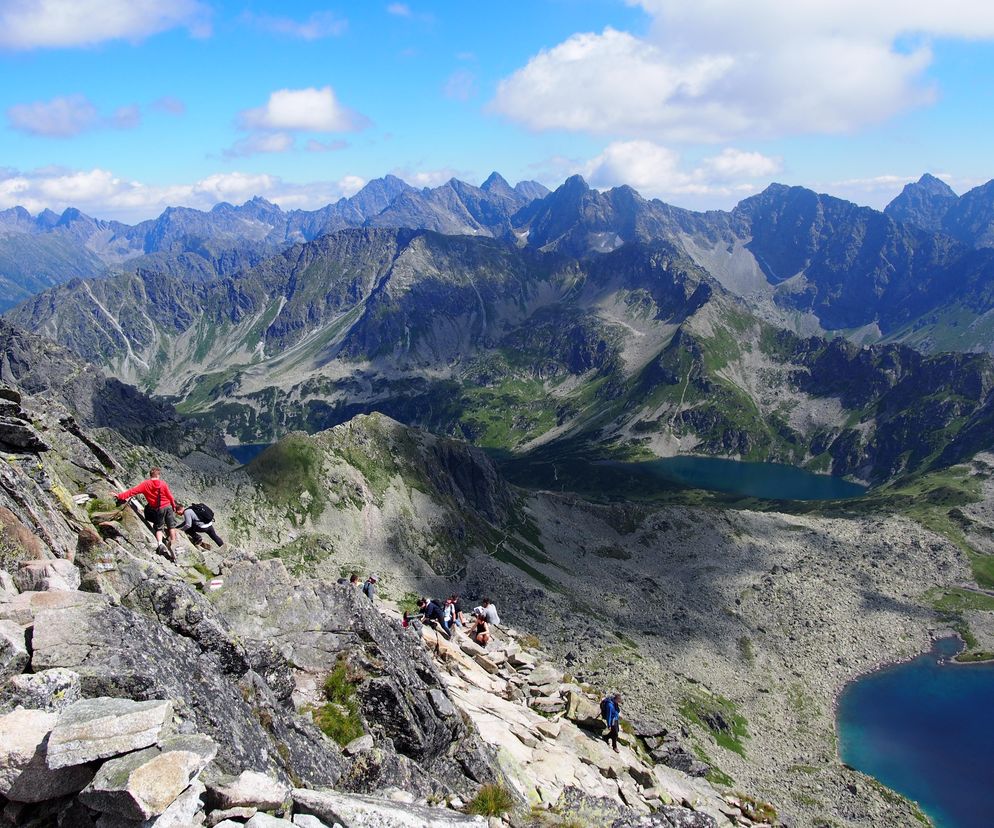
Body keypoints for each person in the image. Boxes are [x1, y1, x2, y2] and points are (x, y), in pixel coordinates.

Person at [116, 467, 179, 558]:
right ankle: (173, 542)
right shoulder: (163, 483)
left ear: (150, 475)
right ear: (158, 475)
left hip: (158, 509)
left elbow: (132, 492)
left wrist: (119, 496)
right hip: (168, 506)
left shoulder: (145, 484)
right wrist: (173, 506)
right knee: (171, 525)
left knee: (159, 527)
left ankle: (160, 544)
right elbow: (170, 496)